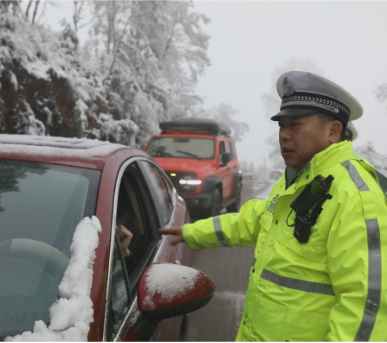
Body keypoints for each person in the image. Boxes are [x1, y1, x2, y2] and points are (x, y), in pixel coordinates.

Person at [160, 71, 387, 342]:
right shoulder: (298, 179)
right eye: (281, 126)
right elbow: (254, 219)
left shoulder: (354, 195)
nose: (284, 135)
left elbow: (366, 307)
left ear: (333, 131)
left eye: (296, 125)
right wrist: (191, 232)